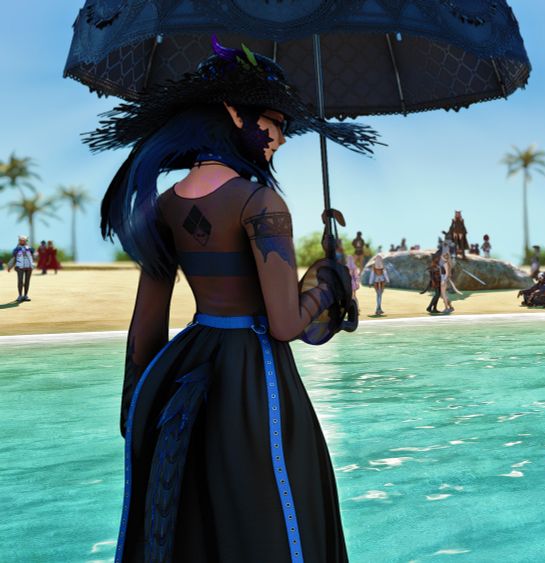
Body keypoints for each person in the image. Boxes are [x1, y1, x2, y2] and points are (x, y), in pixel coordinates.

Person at [86, 38, 377, 561]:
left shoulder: (165, 207)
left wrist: (136, 405)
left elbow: (146, 326)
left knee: (197, 522)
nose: (280, 139)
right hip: (255, 377)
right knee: (278, 511)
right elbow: (286, 323)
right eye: (274, 122)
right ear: (230, 111)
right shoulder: (261, 202)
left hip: (186, 379)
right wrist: (329, 284)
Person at [6, 235, 35, 302]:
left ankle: (25, 295)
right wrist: (10, 266)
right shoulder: (16, 249)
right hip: (19, 267)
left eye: (24, 240)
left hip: (29, 267)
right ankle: (20, 295)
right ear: (19, 241)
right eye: (21, 240)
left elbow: (34, 255)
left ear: (26, 241)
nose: (22, 241)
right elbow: (14, 258)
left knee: (27, 281)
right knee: (20, 281)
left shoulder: (30, 248)